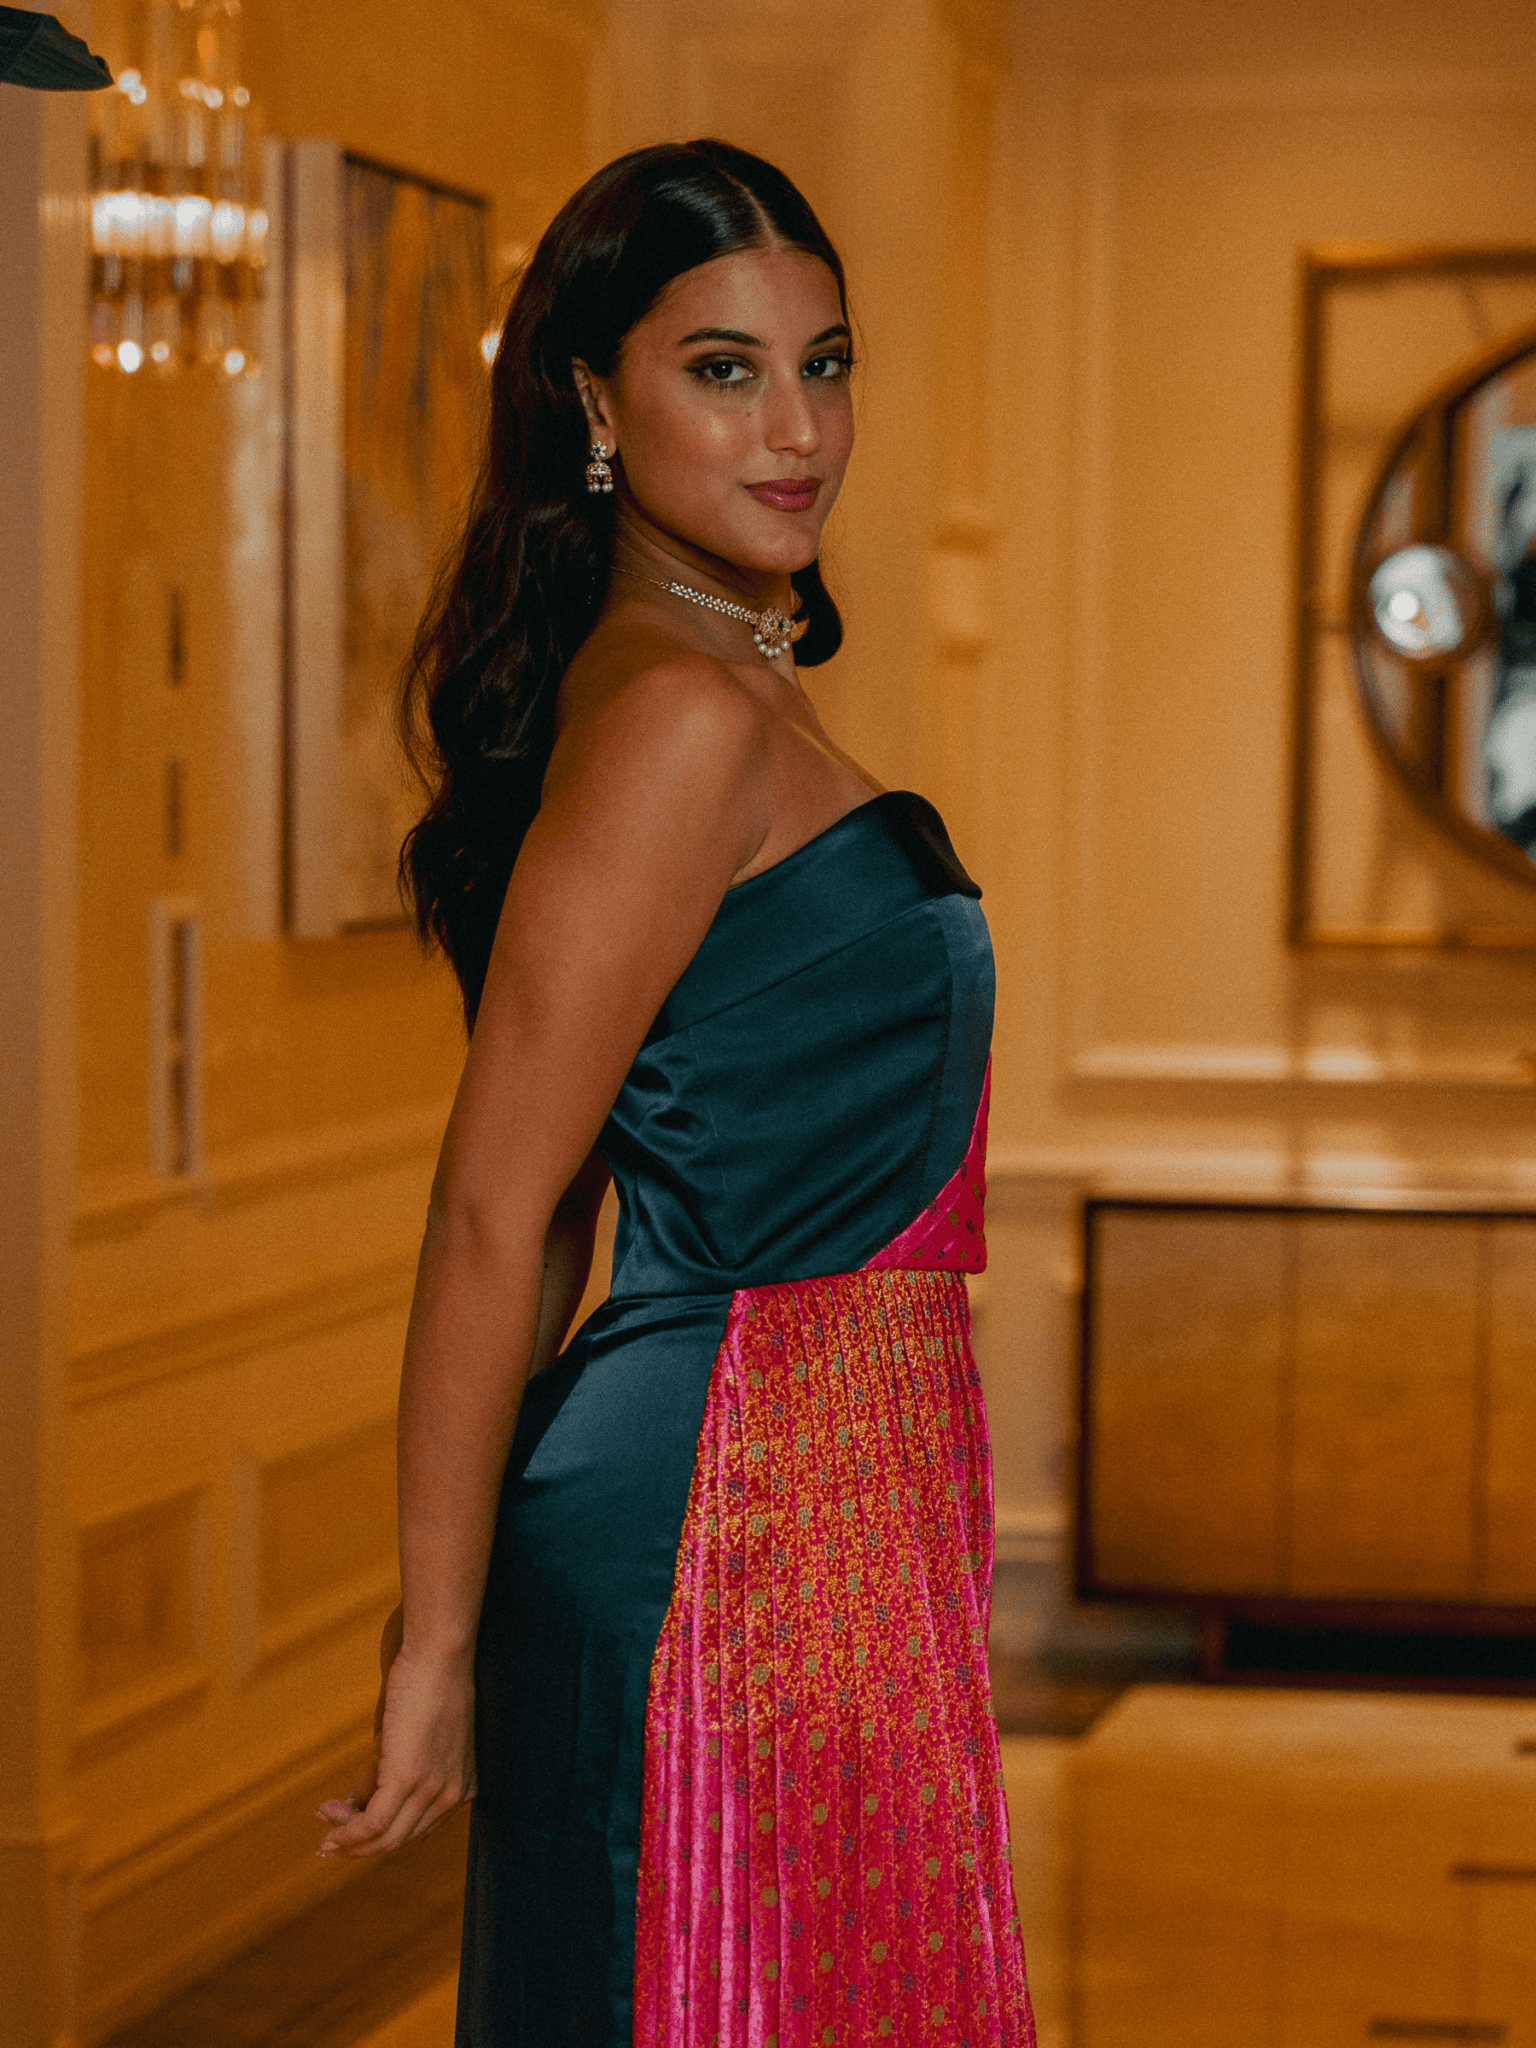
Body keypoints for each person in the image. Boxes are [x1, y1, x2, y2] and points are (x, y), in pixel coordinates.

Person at [316, 138, 1035, 2048]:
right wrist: (438, 1644)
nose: (799, 427)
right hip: (721, 1527)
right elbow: (501, 1202)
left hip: (841, 1503)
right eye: (723, 368)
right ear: (595, 397)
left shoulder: (729, 684)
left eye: (827, 359)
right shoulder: (680, 721)